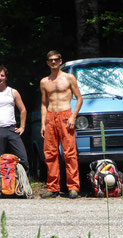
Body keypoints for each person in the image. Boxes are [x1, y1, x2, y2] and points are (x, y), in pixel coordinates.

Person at [39, 50, 83, 199]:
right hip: (51, 117)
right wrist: (43, 123)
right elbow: (44, 104)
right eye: (50, 60)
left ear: (60, 61)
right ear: (47, 62)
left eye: (56, 59)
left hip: (66, 116)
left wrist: (73, 116)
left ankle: (73, 187)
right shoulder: (44, 82)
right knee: (50, 154)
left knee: (70, 153)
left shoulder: (69, 78)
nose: (53, 62)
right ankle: (53, 188)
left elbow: (79, 98)